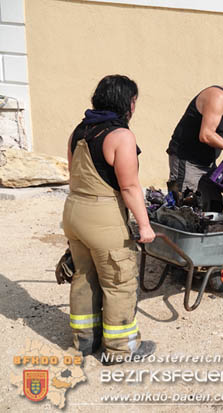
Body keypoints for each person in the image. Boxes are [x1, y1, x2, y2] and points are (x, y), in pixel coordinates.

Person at [63, 75, 156, 364]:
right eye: (134, 101)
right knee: (119, 282)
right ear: (127, 102)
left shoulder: (79, 131)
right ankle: (120, 349)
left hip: (74, 212)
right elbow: (128, 187)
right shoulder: (121, 136)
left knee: (84, 277)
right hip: (103, 217)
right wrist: (144, 225)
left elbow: (74, 174)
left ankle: (84, 341)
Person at [166, 72, 223, 211]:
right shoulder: (217, 97)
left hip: (207, 163)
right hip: (187, 160)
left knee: (214, 205)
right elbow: (206, 135)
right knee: (183, 206)